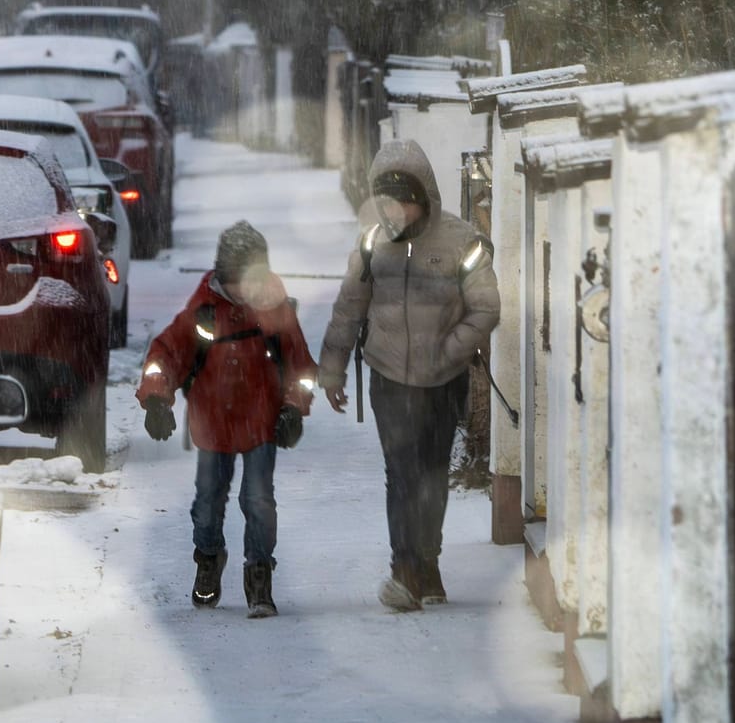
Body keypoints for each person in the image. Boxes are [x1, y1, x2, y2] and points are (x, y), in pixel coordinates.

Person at [317, 139, 500, 612]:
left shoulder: (463, 242)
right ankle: (404, 569)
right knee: (400, 474)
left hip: (443, 381)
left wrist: (450, 351)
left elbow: (485, 308)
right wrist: (332, 370)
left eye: (406, 197)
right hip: (389, 377)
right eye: (388, 198)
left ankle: (428, 564)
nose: (398, 208)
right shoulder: (372, 243)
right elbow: (347, 309)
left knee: (433, 474)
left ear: (426, 194)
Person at [137, 221, 320, 618]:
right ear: (220, 274)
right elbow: (165, 354)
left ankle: (259, 574)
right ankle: (208, 558)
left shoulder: (275, 310)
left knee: (258, 501)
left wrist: (294, 406)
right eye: (233, 281)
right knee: (207, 503)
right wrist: (156, 399)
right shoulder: (203, 310)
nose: (241, 291)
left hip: (261, 421)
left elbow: (301, 366)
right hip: (212, 423)